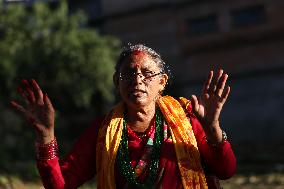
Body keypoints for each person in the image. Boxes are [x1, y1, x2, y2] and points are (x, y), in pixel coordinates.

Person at [11, 44, 236, 189]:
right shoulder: (103, 132)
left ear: (162, 83)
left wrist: (213, 127)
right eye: (128, 74)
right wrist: (46, 136)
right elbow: (61, 185)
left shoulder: (186, 119)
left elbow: (226, 171)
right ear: (117, 83)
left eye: (147, 73)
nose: (137, 80)